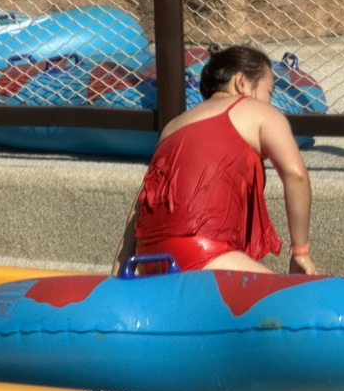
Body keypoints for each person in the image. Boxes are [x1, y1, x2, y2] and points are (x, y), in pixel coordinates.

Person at [112, 45, 318, 276]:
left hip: (148, 257)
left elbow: (142, 203)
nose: (269, 101)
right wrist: (300, 252)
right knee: (287, 304)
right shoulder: (257, 111)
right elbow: (295, 175)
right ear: (242, 82)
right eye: (268, 91)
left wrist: (120, 270)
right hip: (201, 252)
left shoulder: (173, 126)